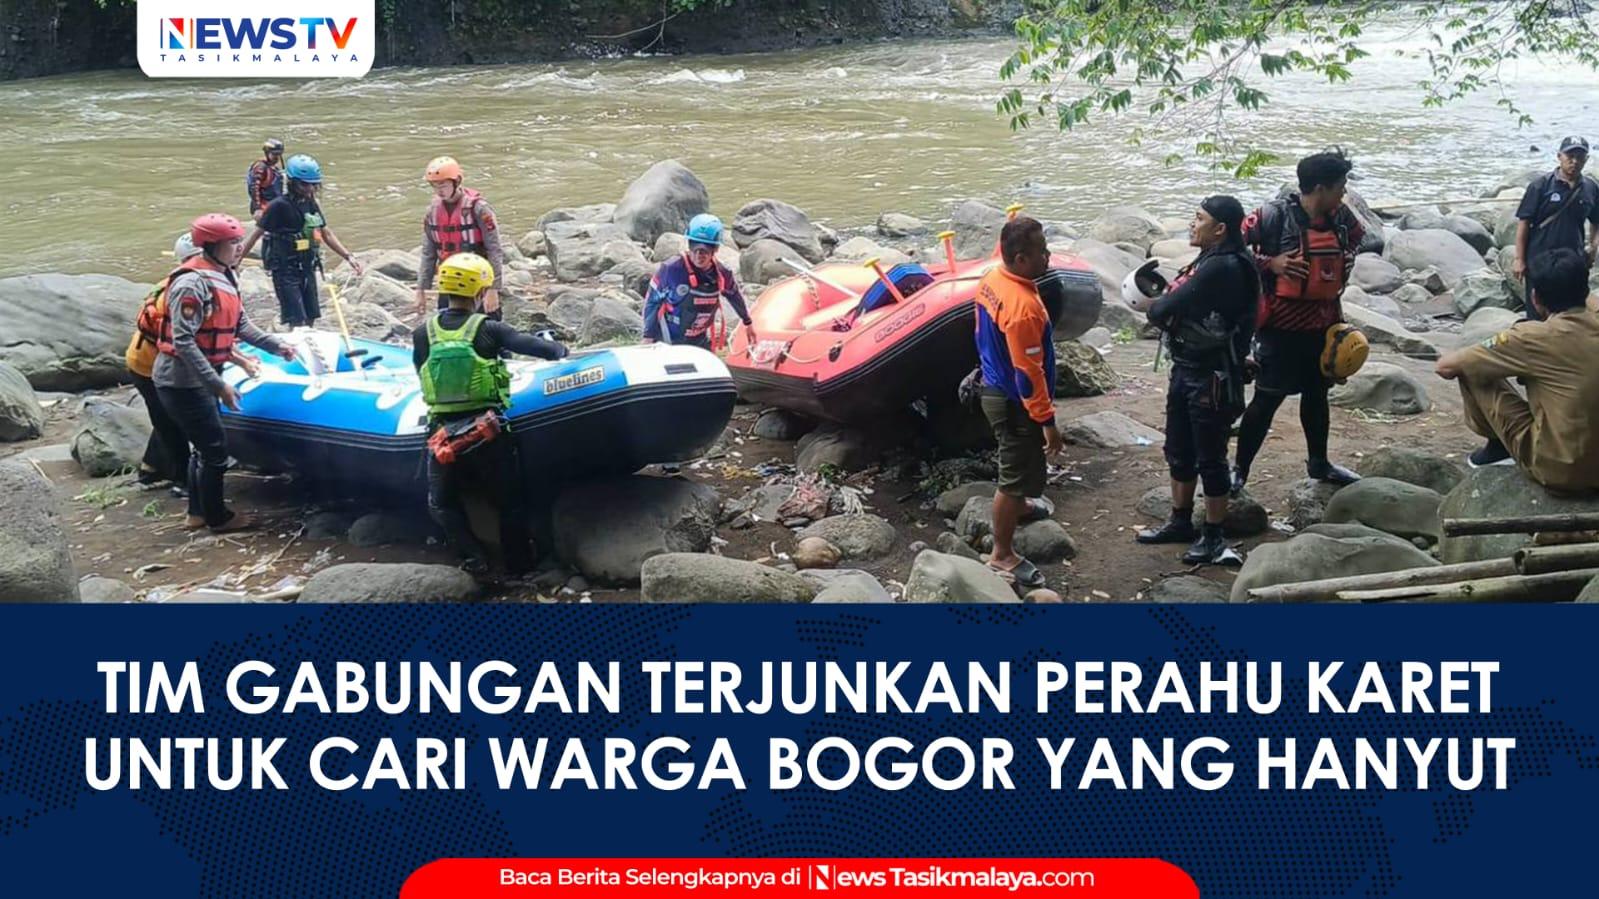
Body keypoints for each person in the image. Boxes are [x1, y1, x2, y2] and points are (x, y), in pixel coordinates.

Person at [412, 253, 568, 576]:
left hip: (442, 437)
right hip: (488, 434)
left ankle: (474, 559)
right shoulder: (488, 329)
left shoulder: (422, 333)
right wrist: (559, 349)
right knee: (510, 502)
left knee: (440, 503)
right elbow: (532, 346)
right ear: (480, 293)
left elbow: (420, 371)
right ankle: (518, 566)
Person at [1131, 196, 1259, 564]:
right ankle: (1180, 521)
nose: (1192, 224)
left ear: (1220, 229)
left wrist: (1162, 308)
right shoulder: (1211, 259)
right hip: (1189, 369)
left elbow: (1163, 308)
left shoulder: (1225, 266)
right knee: (1179, 448)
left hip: (1213, 376)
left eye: (1199, 218)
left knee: (1210, 457)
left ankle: (1215, 537)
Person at [153, 213, 297, 533]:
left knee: (205, 447)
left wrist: (277, 346)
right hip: (181, 381)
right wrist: (219, 386)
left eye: (237, 242)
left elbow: (240, 325)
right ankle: (218, 518)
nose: (239, 247)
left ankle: (198, 513)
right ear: (210, 246)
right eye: (231, 243)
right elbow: (185, 341)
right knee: (216, 450)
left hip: (199, 378)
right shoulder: (191, 283)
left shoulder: (224, 275)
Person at [1232, 149, 1366, 493]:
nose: (1344, 193)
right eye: (1340, 186)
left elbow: (1360, 237)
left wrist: (1344, 260)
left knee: (1317, 396)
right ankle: (1239, 471)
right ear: (1320, 188)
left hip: (1324, 326)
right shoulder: (1271, 216)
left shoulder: (1340, 216)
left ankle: (1319, 463)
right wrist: (1270, 263)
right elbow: (1229, 246)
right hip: (1279, 329)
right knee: (1266, 399)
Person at [1469, 136, 1599, 466]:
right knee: (1537, 324)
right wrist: (1519, 258)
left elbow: (1596, 221)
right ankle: (1535, 374)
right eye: (1570, 155)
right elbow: (1524, 223)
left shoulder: (1589, 188)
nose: (1574, 161)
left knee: (1570, 323)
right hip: (1541, 267)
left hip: (1570, 269)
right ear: (1559, 156)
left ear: (1585, 158)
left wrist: (1593, 247)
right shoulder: (1541, 186)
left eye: (1580, 156)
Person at [1435, 248, 1599, 494]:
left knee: (1471, 370)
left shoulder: (1532, 337)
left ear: (1535, 298)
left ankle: (1498, 447)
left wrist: (1506, 351)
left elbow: (1446, 367)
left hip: (1562, 471)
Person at [974, 216, 1064, 590]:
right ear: (1022, 258)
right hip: (1012, 399)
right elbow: (1028, 374)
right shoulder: (1022, 305)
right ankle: (1002, 553)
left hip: (993, 383)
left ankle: (1023, 507)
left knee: (1025, 461)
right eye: (1042, 251)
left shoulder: (993, 279)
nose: (1048, 256)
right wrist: (1048, 422)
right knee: (1012, 477)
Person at [240, 154, 363, 329]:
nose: (309, 189)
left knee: (311, 315)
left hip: (307, 266)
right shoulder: (278, 206)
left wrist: (348, 256)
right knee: (296, 319)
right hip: (284, 269)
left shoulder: (311, 203)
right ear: (292, 182)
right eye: (304, 184)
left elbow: (326, 233)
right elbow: (255, 234)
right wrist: (233, 264)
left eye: (313, 184)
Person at [641, 214, 755, 349]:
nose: (698, 255)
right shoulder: (671, 269)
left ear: (715, 249)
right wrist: (648, 336)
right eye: (694, 249)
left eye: (704, 251)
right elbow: (652, 301)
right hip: (668, 340)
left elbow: (734, 296)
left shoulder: (722, 273)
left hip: (698, 341)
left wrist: (747, 322)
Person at [414, 156, 507, 319]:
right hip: (449, 280)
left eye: (443, 185)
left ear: (456, 181)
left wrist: (493, 289)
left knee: (487, 328)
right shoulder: (432, 212)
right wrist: (421, 290)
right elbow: (428, 254)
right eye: (434, 186)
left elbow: (494, 249)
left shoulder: (479, 209)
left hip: (478, 280)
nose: (439, 190)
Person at [246, 138, 286, 222]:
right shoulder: (260, 168)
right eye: (274, 154)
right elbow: (254, 188)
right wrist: (258, 208)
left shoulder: (273, 167)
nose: (277, 157)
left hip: (274, 203)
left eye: (279, 155)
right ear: (267, 153)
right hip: (264, 206)